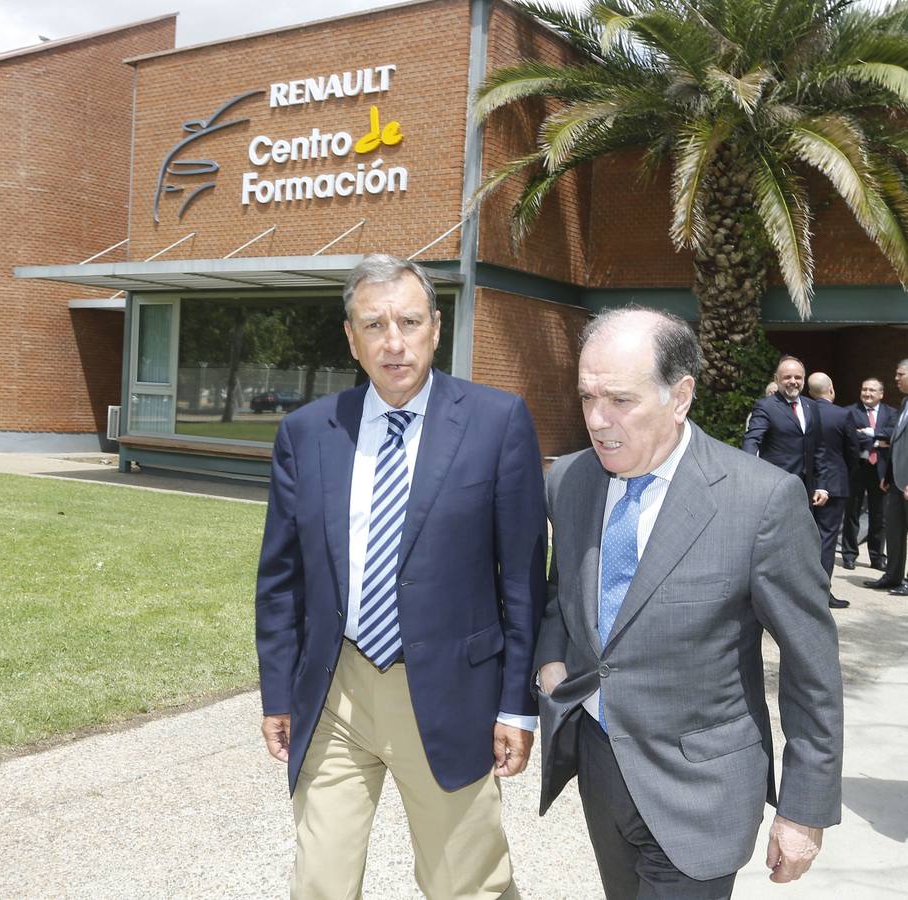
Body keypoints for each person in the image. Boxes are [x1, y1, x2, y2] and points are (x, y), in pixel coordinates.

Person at [255, 253, 547, 898]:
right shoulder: (307, 432)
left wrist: (515, 705)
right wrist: (278, 691)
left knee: (466, 884)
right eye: (374, 325)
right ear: (350, 338)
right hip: (337, 691)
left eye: (409, 322)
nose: (394, 342)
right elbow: (281, 578)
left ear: (437, 329)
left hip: (450, 692)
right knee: (320, 882)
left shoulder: (497, 423)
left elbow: (525, 583)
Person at [535, 308, 843, 898]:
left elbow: (812, 667)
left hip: (703, 789)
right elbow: (560, 593)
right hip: (602, 767)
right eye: (587, 397)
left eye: (620, 400)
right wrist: (553, 659)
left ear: (680, 397)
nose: (598, 421)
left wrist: (805, 808)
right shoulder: (568, 482)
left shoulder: (762, 501)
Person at [742, 355, 831, 510]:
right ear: (777, 379)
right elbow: (752, 440)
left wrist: (822, 485)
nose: (793, 381)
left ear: (804, 379)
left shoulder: (812, 406)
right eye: (787, 377)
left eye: (798, 377)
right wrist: (749, 477)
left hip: (806, 489)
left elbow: (819, 448)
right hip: (776, 486)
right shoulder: (766, 406)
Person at [806, 372, 858, 609]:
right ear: (831, 389)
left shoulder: (803, 410)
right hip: (835, 483)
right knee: (827, 539)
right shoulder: (843, 414)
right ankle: (821, 593)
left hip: (805, 482)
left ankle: (802, 591)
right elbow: (852, 451)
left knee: (806, 539)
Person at [864, 360, 908, 596]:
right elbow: (899, 443)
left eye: (900, 374)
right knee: (894, 530)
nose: (896, 378)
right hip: (896, 481)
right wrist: (888, 475)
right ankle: (893, 575)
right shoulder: (904, 402)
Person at [844, 377, 896, 572]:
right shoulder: (850, 411)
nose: (867, 393)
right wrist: (877, 440)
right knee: (852, 512)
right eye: (864, 389)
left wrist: (869, 433)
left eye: (872, 390)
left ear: (881, 394)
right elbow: (850, 435)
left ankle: (876, 557)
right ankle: (849, 554)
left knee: (879, 515)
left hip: (881, 470)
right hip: (857, 468)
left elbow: (893, 433)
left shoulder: (891, 413)